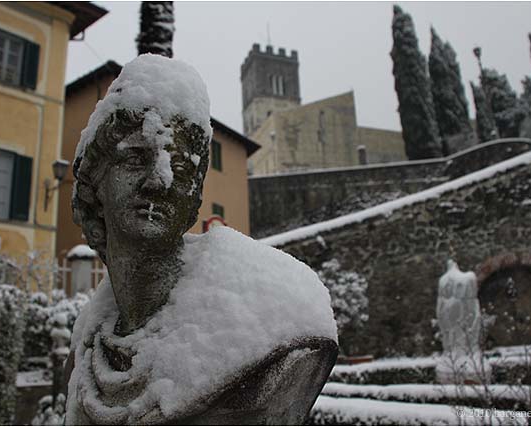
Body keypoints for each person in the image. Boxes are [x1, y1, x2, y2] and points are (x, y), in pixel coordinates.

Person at [65, 54, 337, 425]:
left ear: (193, 196)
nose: (160, 180)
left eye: (180, 167)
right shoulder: (85, 346)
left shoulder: (279, 320)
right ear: (94, 184)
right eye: (136, 158)